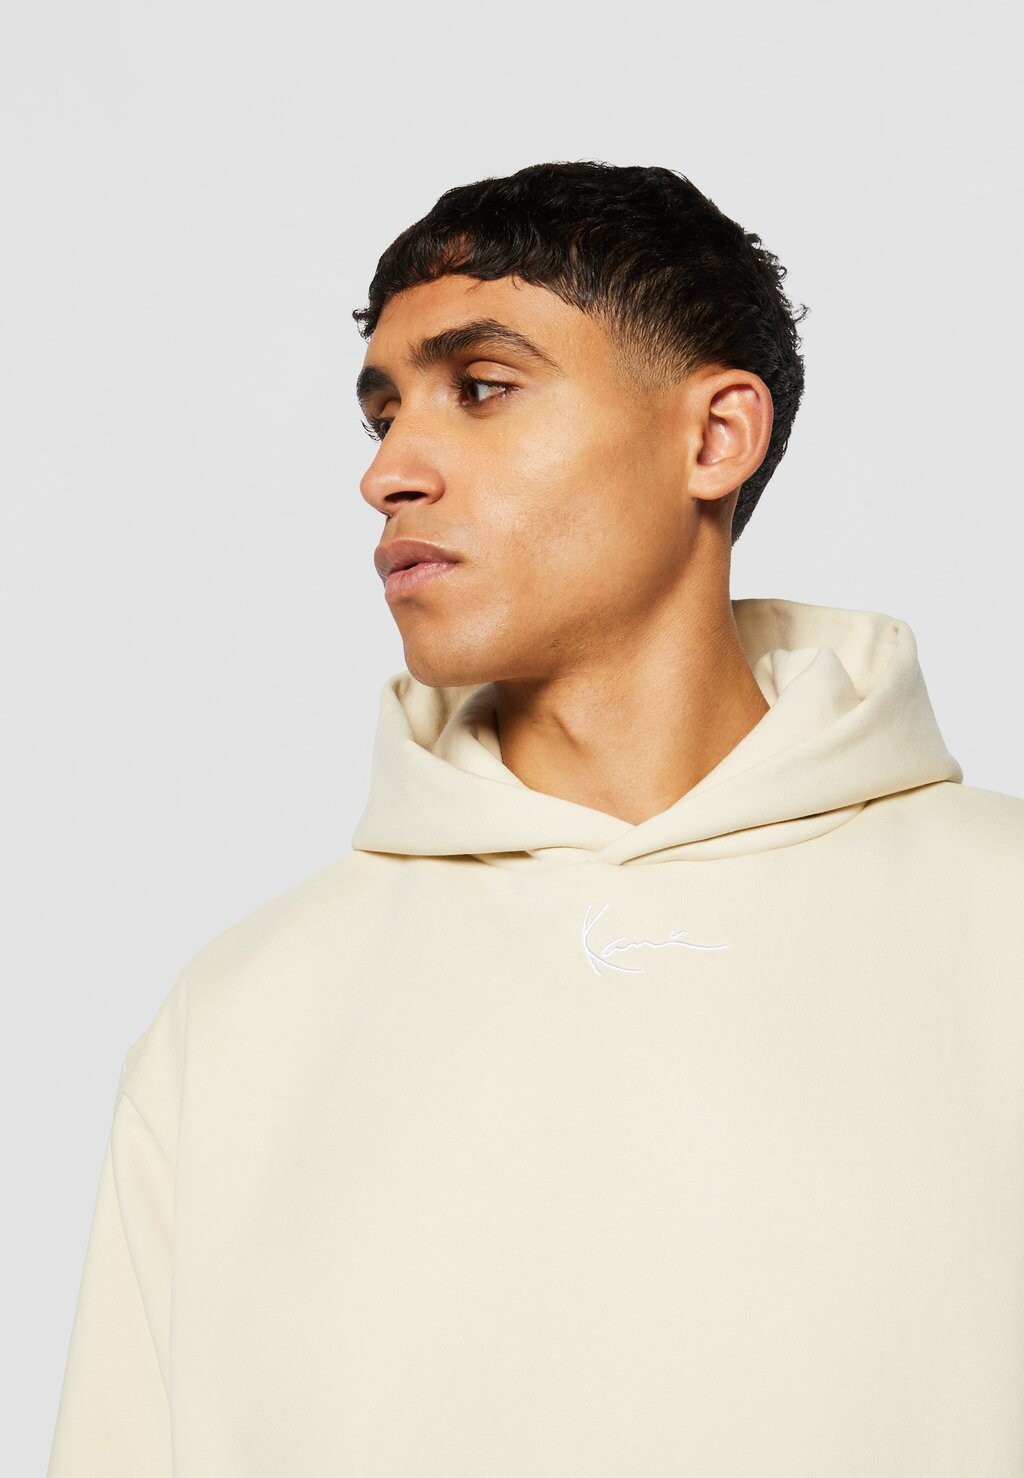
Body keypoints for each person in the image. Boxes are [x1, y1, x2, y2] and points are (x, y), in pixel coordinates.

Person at [47, 160, 1024, 1476]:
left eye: (482, 387)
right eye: (382, 413)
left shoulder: (999, 926)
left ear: (713, 438)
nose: (389, 471)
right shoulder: (238, 1019)